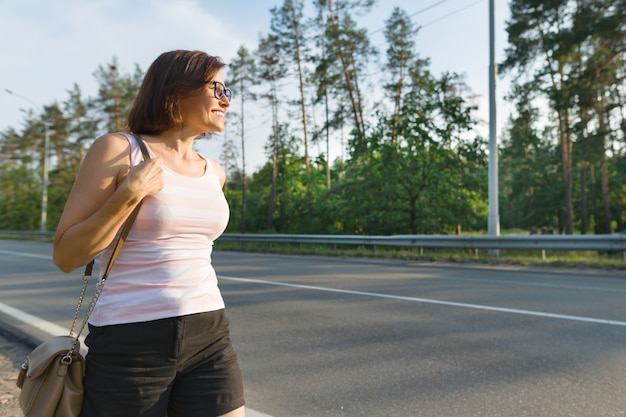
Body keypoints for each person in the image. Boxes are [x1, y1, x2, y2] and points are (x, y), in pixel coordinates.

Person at [53, 50, 245, 417]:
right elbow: (65, 256)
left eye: (227, 89)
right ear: (176, 91)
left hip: (209, 332)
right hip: (130, 339)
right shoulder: (118, 150)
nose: (225, 98)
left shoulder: (214, 171)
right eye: (215, 87)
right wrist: (127, 195)